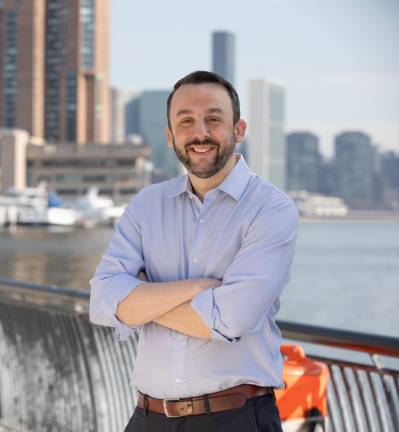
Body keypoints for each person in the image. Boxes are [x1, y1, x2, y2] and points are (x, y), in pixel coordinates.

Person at [89, 70, 298, 432]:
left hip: (236, 419)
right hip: (148, 418)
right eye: (186, 121)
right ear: (170, 136)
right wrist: (198, 288)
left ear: (239, 129)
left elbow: (231, 320)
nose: (200, 133)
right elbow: (102, 300)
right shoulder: (147, 205)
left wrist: (142, 299)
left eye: (213, 119)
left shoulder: (271, 209)